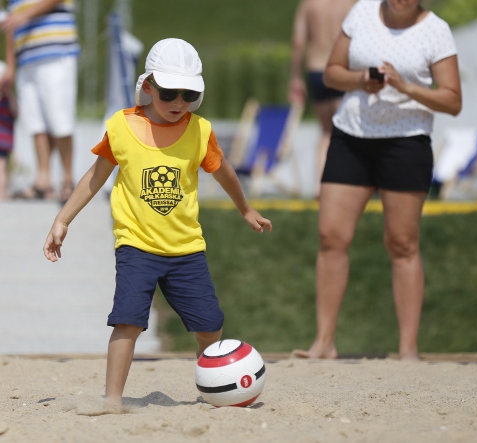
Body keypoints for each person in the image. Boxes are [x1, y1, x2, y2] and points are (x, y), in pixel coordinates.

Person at [42, 38, 273, 411]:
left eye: (188, 93)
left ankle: (214, 380)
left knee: (210, 325)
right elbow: (94, 177)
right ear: (148, 86)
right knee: (128, 322)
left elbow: (225, 172)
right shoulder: (120, 127)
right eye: (169, 93)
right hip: (136, 246)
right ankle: (112, 399)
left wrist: (246, 209)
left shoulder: (199, 131)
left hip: (186, 249)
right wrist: (62, 219)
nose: (178, 102)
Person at [293, 0, 461, 361]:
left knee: (402, 243)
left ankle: (408, 349)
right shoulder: (362, 12)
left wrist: (406, 86)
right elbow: (331, 72)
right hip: (351, 135)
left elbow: (452, 100)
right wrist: (360, 79)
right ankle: (323, 342)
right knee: (331, 236)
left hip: (406, 140)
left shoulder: (436, 30)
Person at [0, 0, 79, 203]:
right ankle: (43, 181)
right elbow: (11, 26)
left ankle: (68, 180)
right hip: (26, 59)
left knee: (60, 121)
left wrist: (24, 16)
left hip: (56, 54)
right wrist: (11, 65)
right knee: (35, 123)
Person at [288, 0, 357, 194]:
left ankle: (320, 186)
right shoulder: (350, 3)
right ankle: (343, 186)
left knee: (326, 132)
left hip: (317, 70)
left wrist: (295, 77)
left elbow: (298, 41)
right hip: (342, 69)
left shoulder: (309, 4)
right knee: (345, 132)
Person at [0, 60, 17, 201]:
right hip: (5, 140)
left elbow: (15, 112)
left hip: (3, 140)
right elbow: (16, 112)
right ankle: (1, 193)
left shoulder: (7, 98)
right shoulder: (7, 99)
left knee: (1, 167)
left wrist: (8, 93)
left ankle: (1, 193)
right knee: (2, 167)